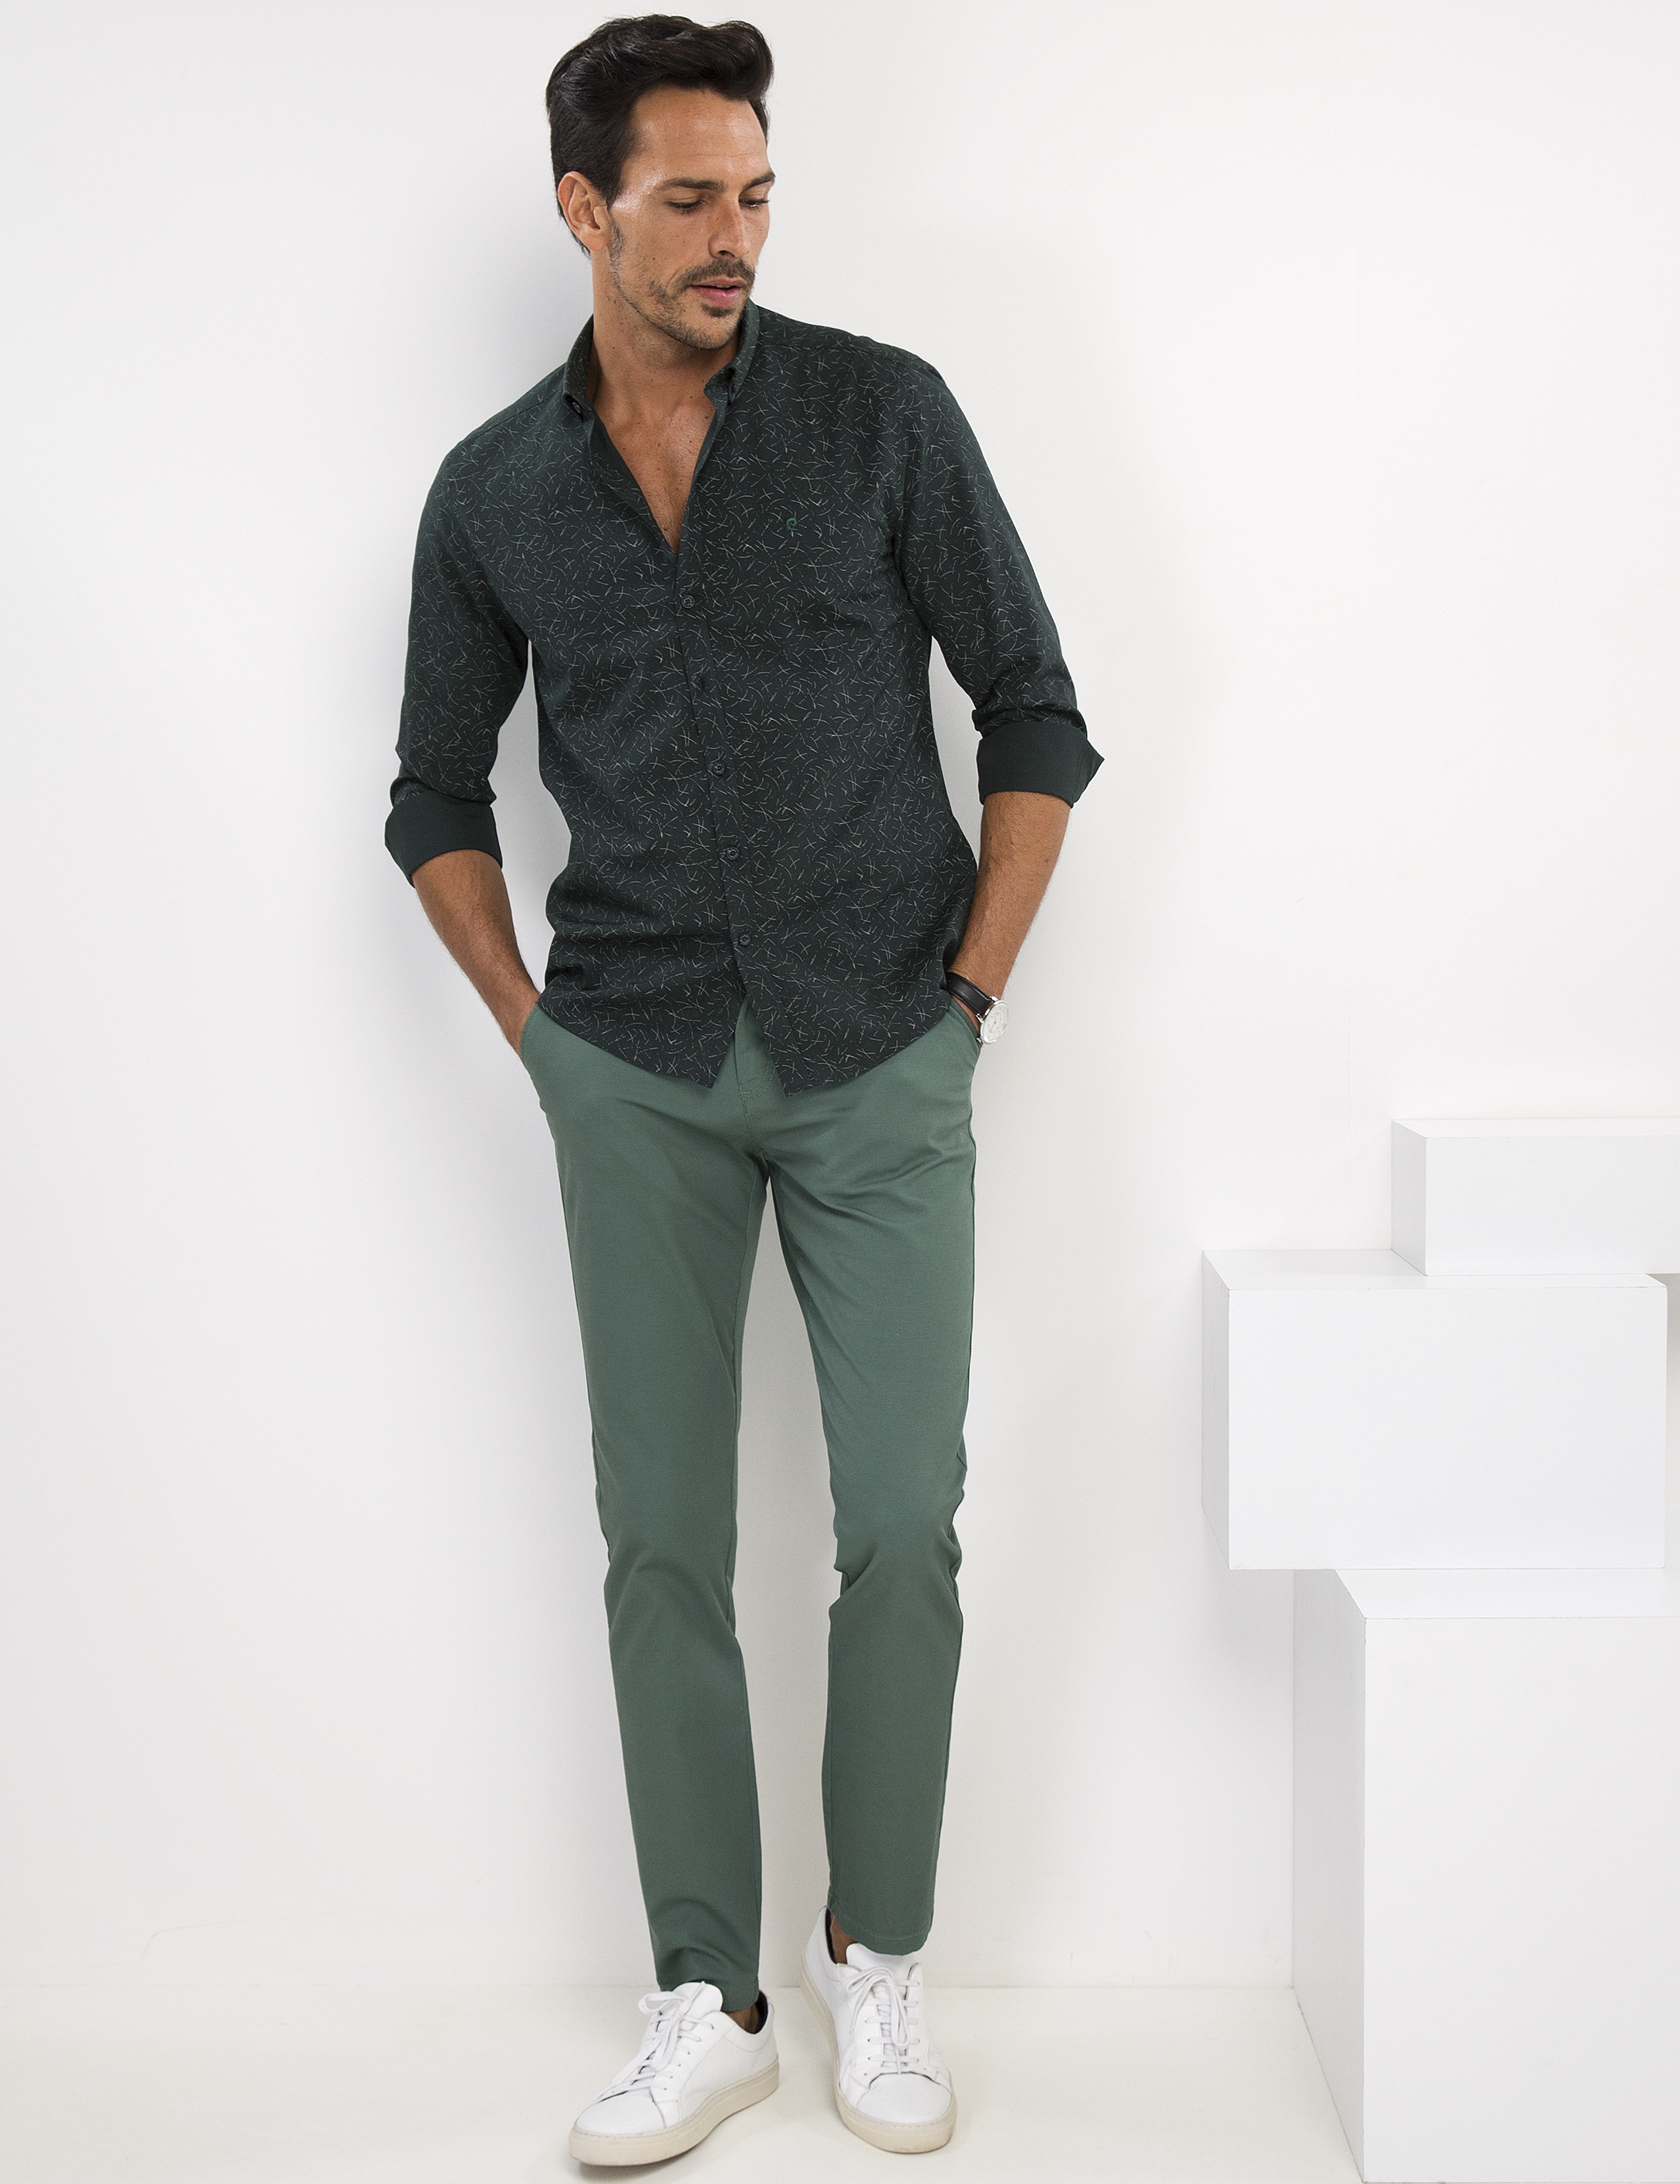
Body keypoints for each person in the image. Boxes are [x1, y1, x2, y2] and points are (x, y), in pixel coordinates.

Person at [385, 13, 1100, 2165]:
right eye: (688, 198)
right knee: (661, 1546)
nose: (735, 236)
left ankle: (880, 1957)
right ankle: (709, 1994)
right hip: (634, 1068)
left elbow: (1035, 712)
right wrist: (538, 1040)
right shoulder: (495, 490)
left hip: (886, 1049)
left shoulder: (884, 413)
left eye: (757, 193)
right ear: (584, 209)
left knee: (898, 1526)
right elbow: (431, 795)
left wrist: (968, 998)